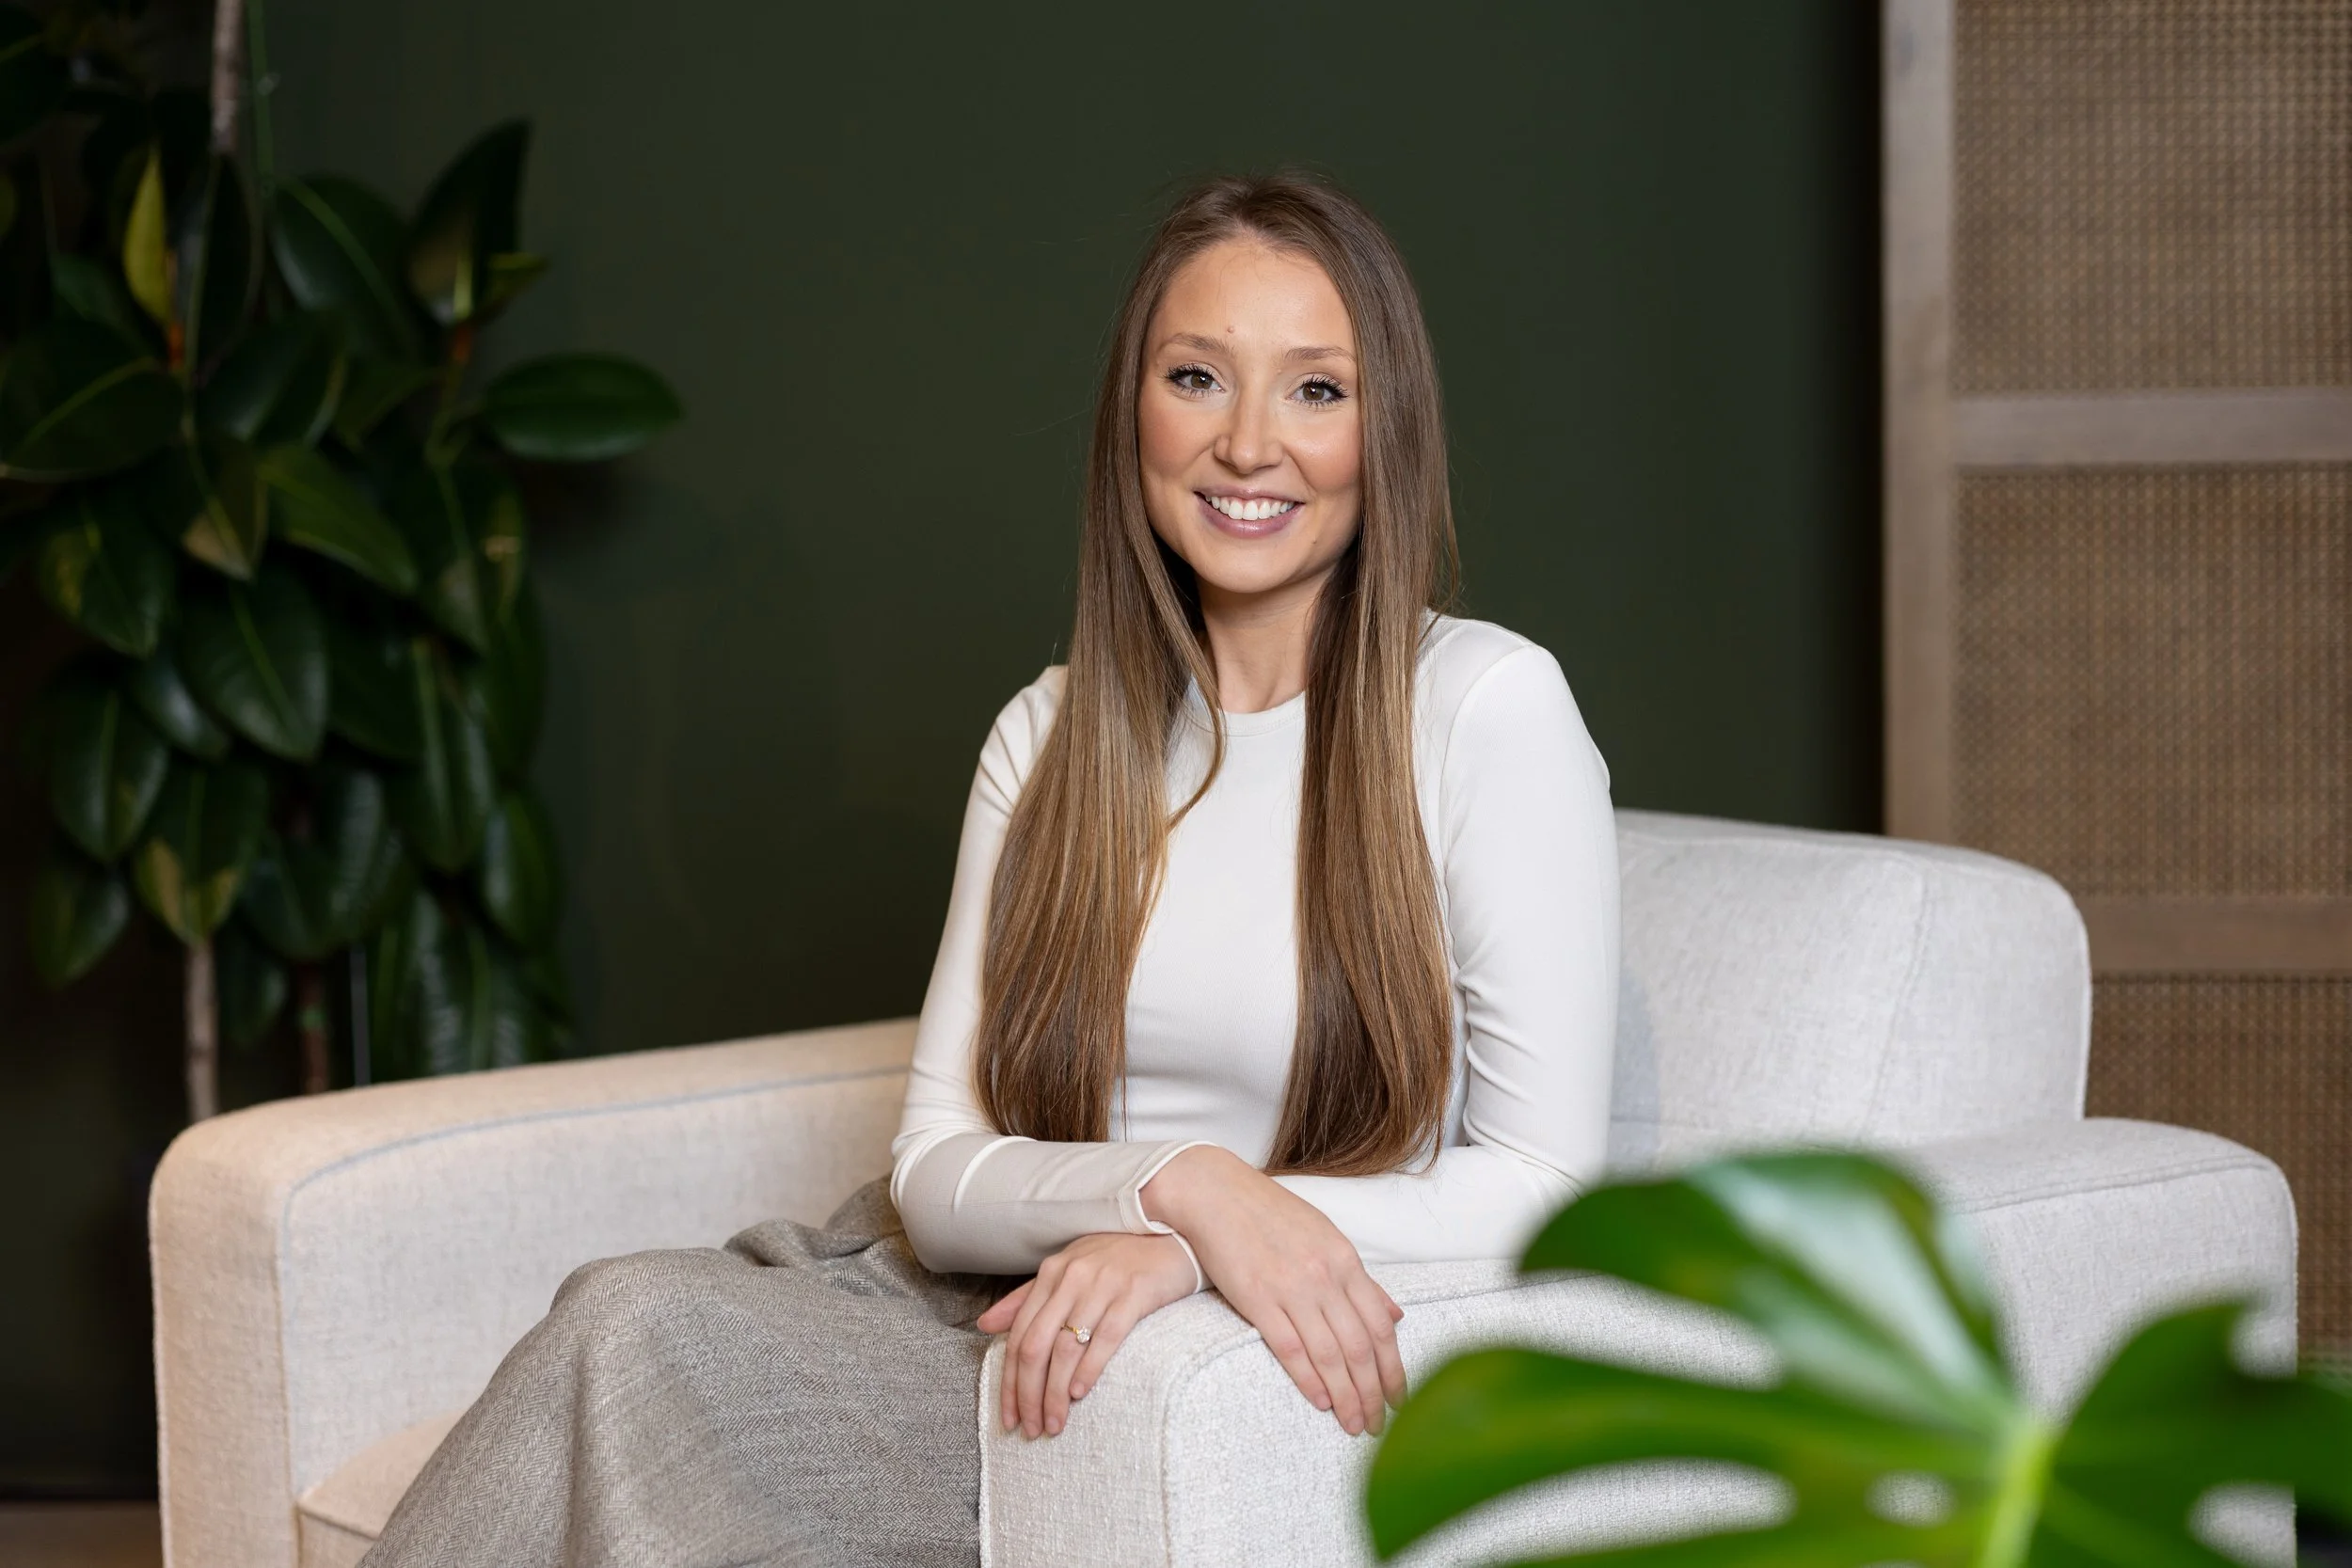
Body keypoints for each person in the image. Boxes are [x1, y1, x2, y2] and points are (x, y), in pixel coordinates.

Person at [361, 171, 1618, 1568]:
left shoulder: (1485, 710)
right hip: (970, 1304)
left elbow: (1547, 1188)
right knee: (624, 1317)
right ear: (1131, 415)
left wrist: (1201, 1249)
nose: (1250, 443)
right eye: (1197, 377)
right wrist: (1182, 1188)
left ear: (1386, 430)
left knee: (635, 1343)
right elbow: (937, 1171)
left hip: (1176, 1368)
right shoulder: (1053, 731)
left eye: (1315, 391)